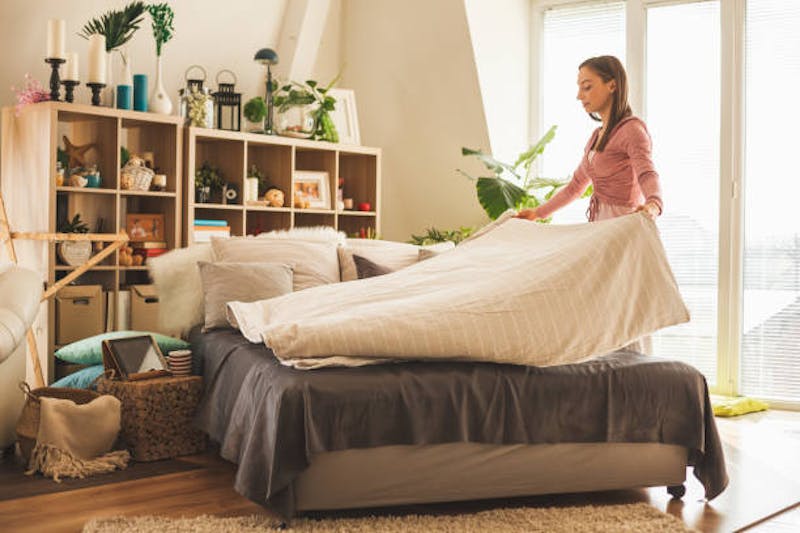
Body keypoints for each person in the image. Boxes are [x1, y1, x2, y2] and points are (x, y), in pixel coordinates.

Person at [516, 55, 662, 223]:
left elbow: (647, 173)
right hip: (600, 228)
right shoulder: (596, 136)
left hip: (624, 229)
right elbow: (574, 187)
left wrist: (653, 204)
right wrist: (537, 213)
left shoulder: (631, 130)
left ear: (612, 85)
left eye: (586, 87)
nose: (579, 95)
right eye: (579, 88)